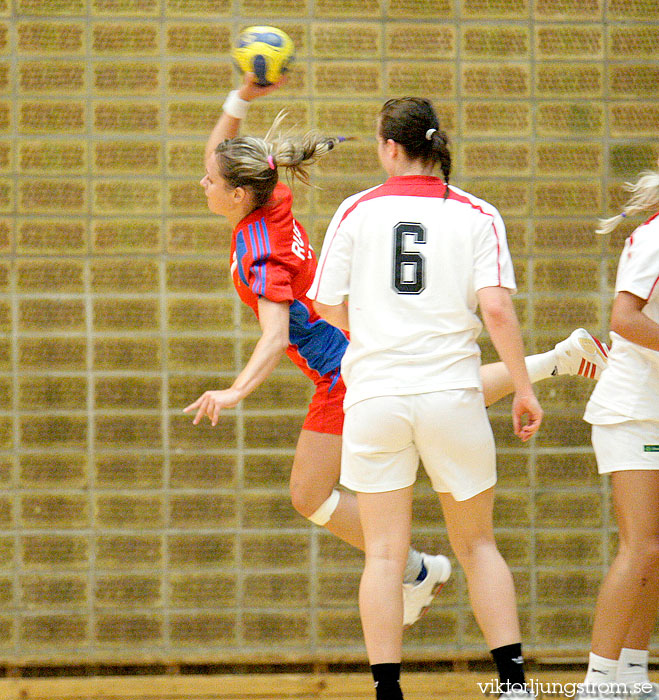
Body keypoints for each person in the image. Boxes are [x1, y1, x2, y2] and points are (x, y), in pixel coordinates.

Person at [183, 75, 608, 634]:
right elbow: (224, 155)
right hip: (359, 356)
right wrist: (239, 100)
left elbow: (275, 336)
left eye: (209, 181)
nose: (201, 182)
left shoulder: (262, 253)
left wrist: (235, 391)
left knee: (309, 494)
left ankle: (412, 570)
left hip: (341, 371)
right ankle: (552, 362)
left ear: (237, 194)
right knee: (445, 390)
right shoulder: (272, 196)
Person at [308, 97, 543, 700]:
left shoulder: (354, 210)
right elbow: (496, 308)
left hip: (376, 398)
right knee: (478, 544)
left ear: (390, 147)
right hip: (452, 396)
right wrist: (520, 386)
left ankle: (388, 691)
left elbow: (327, 308)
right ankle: (513, 685)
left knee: (384, 555)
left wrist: (379, 343)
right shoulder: (477, 213)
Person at [575, 163, 659, 700]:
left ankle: (631, 673)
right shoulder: (655, 237)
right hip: (634, 412)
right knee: (642, 547)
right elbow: (624, 318)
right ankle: (599, 681)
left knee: (656, 549)